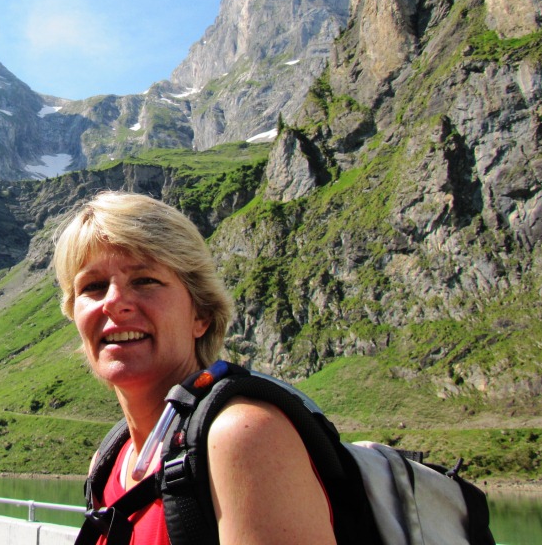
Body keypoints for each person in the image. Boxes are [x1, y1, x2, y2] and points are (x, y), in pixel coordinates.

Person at [53, 191, 336, 545]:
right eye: (92, 286)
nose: (114, 302)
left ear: (200, 314)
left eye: (144, 280)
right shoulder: (108, 462)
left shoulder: (241, 438)